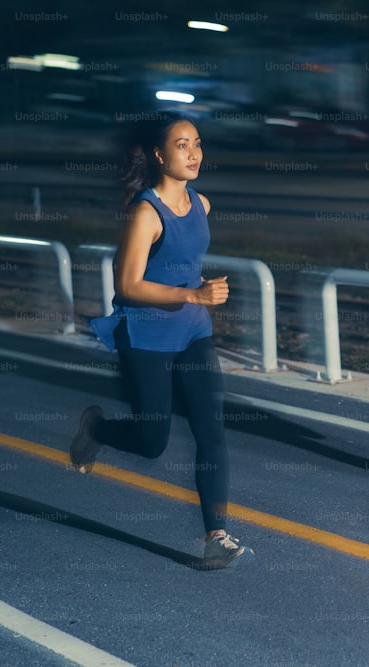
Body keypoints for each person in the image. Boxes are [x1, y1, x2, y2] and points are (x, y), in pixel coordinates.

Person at [69, 113, 253, 568]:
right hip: (148, 337)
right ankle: (97, 430)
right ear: (159, 154)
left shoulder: (202, 204)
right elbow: (127, 285)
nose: (193, 153)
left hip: (193, 333)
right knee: (152, 441)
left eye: (197, 143)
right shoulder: (146, 212)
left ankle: (217, 536)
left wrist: (197, 292)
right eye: (181, 144)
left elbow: (182, 265)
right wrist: (192, 292)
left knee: (211, 430)